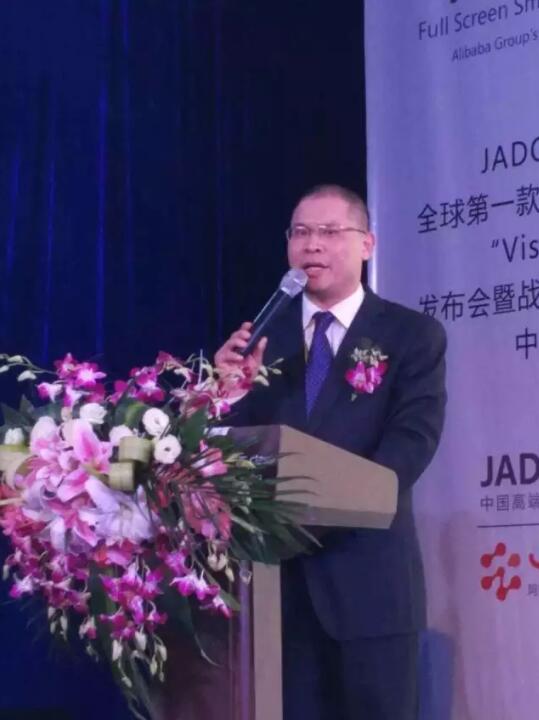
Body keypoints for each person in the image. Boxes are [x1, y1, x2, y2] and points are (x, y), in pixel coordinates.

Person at [215, 184, 447, 720]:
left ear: (367, 244)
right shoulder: (262, 338)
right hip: (275, 593)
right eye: (300, 232)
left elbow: (412, 445)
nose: (312, 244)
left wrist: (325, 508)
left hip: (369, 587)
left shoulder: (411, 335)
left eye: (328, 231)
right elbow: (231, 456)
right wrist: (225, 395)